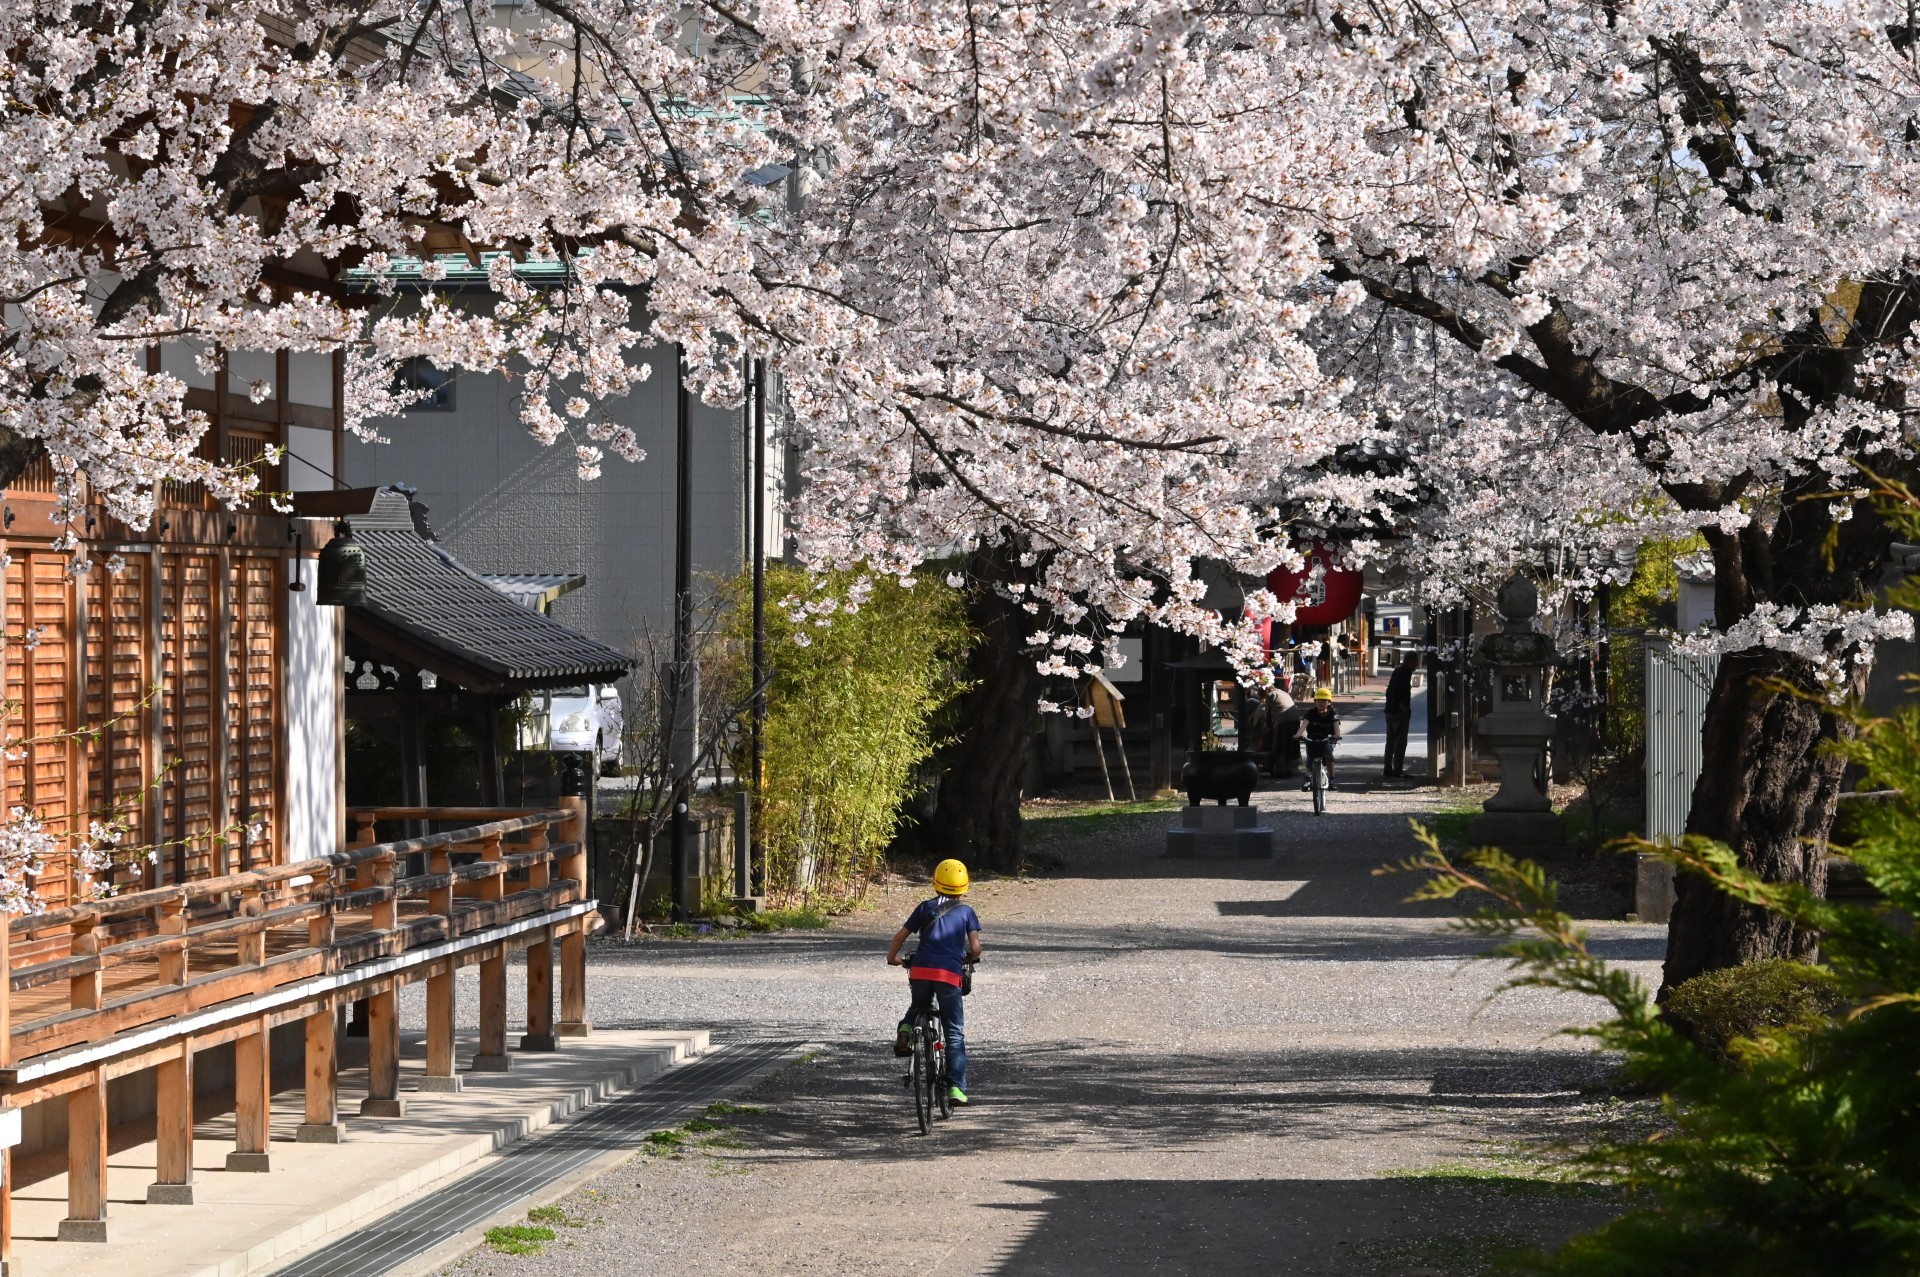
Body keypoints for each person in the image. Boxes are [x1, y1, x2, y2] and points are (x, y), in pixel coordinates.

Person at [887, 858, 982, 1106]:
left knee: (919, 1005)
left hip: (920, 971)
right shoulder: (966, 912)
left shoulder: (924, 907)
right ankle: (956, 1089)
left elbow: (900, 936)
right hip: (948, 975)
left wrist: (892, 958)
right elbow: (975, 947)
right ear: (964, 888)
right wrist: (971, 958)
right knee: (953, 1032)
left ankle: (906, 1030)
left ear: (935, 883)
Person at [1383, 651, 1421, 779]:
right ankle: (1397, 771)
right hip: (1399, 712)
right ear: (1411, 662)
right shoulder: (1405, 673)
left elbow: (1390, 690)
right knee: (1400, 743)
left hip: (1389, 711)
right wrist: (1403, 708)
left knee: (1390, 742)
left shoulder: (1397, 671)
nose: (1417, 664)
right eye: (1416, 662)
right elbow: (1400, 692)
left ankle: (1387, 768)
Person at [1300, 686, 1341, 789]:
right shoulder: (1311, 713)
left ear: (1329, 702)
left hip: (1327, 739)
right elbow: (1303, 725)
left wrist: (1336, 735)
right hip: (1312, 738)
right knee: (1310, 757)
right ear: (1315, 701)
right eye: (1318, 700)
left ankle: (1331, 780)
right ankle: (1308, 778)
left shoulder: (1333, 713)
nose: (1320, 703)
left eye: (1324, 700)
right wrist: (1299, 735)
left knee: (1328, 755)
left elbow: (1336, 726)